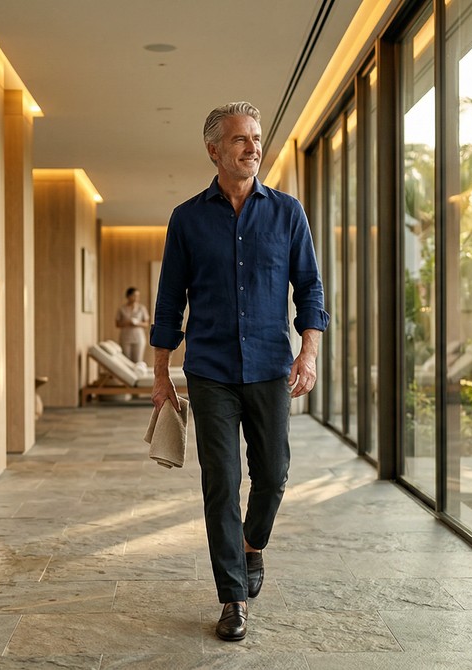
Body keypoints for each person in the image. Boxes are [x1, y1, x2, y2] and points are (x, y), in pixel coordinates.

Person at [149, 101, 328, 642]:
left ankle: (252, 546)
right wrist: (162, 375)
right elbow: (169, 302)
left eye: (256, 138)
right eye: (239, 140)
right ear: (214, 150)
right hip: (210, 370)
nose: (253, 147)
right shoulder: (187, 218)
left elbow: (311, 289)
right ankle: (232, 597)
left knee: (272, 473)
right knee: (221, 482)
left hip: (272, 366)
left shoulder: (287, 212)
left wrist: (309, 352)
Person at [114, 287, 150, 364]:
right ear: (128, 296)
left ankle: (137, 376)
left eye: (138, 296)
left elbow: (146, 324)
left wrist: (137, 323)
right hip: (125, 338)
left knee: (138, 361)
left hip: (138, 338)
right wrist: (127, 322)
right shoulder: (122, 308)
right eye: (134, 295)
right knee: (126, 361)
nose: (137, 298)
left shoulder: (142, 308)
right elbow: (117, 324)